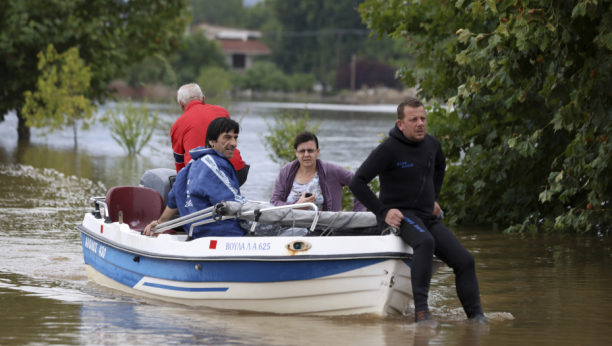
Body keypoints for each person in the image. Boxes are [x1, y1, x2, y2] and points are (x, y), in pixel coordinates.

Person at [349, 97, 486, 328]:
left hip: (424, 215)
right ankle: (422, 314)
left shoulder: (432, 145)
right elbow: (357, 182)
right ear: (401, 124)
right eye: (413, 120)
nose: (420, 123)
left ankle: (477, 320)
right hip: (398, 215)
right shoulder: (388, 149)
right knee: (424, 242)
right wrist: (383, 212)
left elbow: (441, 166)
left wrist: (435, 198)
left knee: (465, 261)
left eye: (423, 118)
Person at [144, 117, 247, 238]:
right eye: (227, 137)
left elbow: (175, 198)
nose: (234, 143)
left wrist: (160, 223)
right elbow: (232, 202)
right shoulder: (214, 165)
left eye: (235, 137)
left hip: (198, 234)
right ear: (212, 141)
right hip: (224, 234)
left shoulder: (190, 165)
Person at [171, 83, 249, 185]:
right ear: (203, 99)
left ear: (181, 104)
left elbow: (180, 163)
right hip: (237, 171)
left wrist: (182, 186)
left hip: (203, 176)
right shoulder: (222, 111)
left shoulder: (177, 125)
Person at [270, 131, 365, 212]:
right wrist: (297, 206)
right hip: (289, 227)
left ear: (318, 152)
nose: (306, 155)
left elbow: (361, 183)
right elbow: (274, 202)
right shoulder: (285, 171)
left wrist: (356, 214)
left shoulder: (332, 171)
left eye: (310, 150)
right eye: (302, 151)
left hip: (322, 230)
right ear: (296, 153)